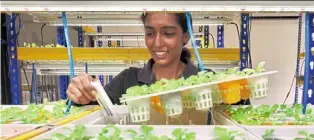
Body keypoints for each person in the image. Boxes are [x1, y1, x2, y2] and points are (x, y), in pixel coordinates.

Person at [67, 12, 250, 106]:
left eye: (168, 33)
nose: (157, 42)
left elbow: (239, 111)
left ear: (185, 37)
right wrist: (82, 93)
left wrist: (238, 92)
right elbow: (96, 106)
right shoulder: (127, 80)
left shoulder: (206, 80)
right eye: (149, 33)